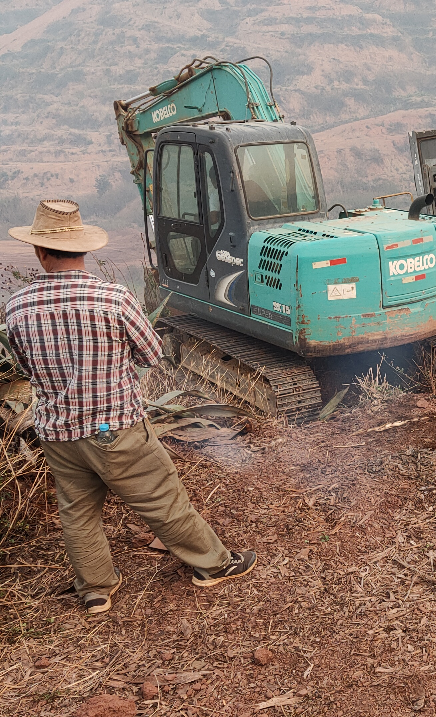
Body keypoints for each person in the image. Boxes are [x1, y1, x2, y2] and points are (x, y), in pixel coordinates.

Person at [5, 198, 256, 614]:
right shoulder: (115, 299)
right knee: (162, 498)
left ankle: (96, 589)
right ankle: (213, 565)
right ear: (84, 248)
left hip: (59, 433)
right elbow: (151, 354)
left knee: (77, 510)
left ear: (39, 251)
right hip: (116, 429)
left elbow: (25, 366)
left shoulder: (17, 307)